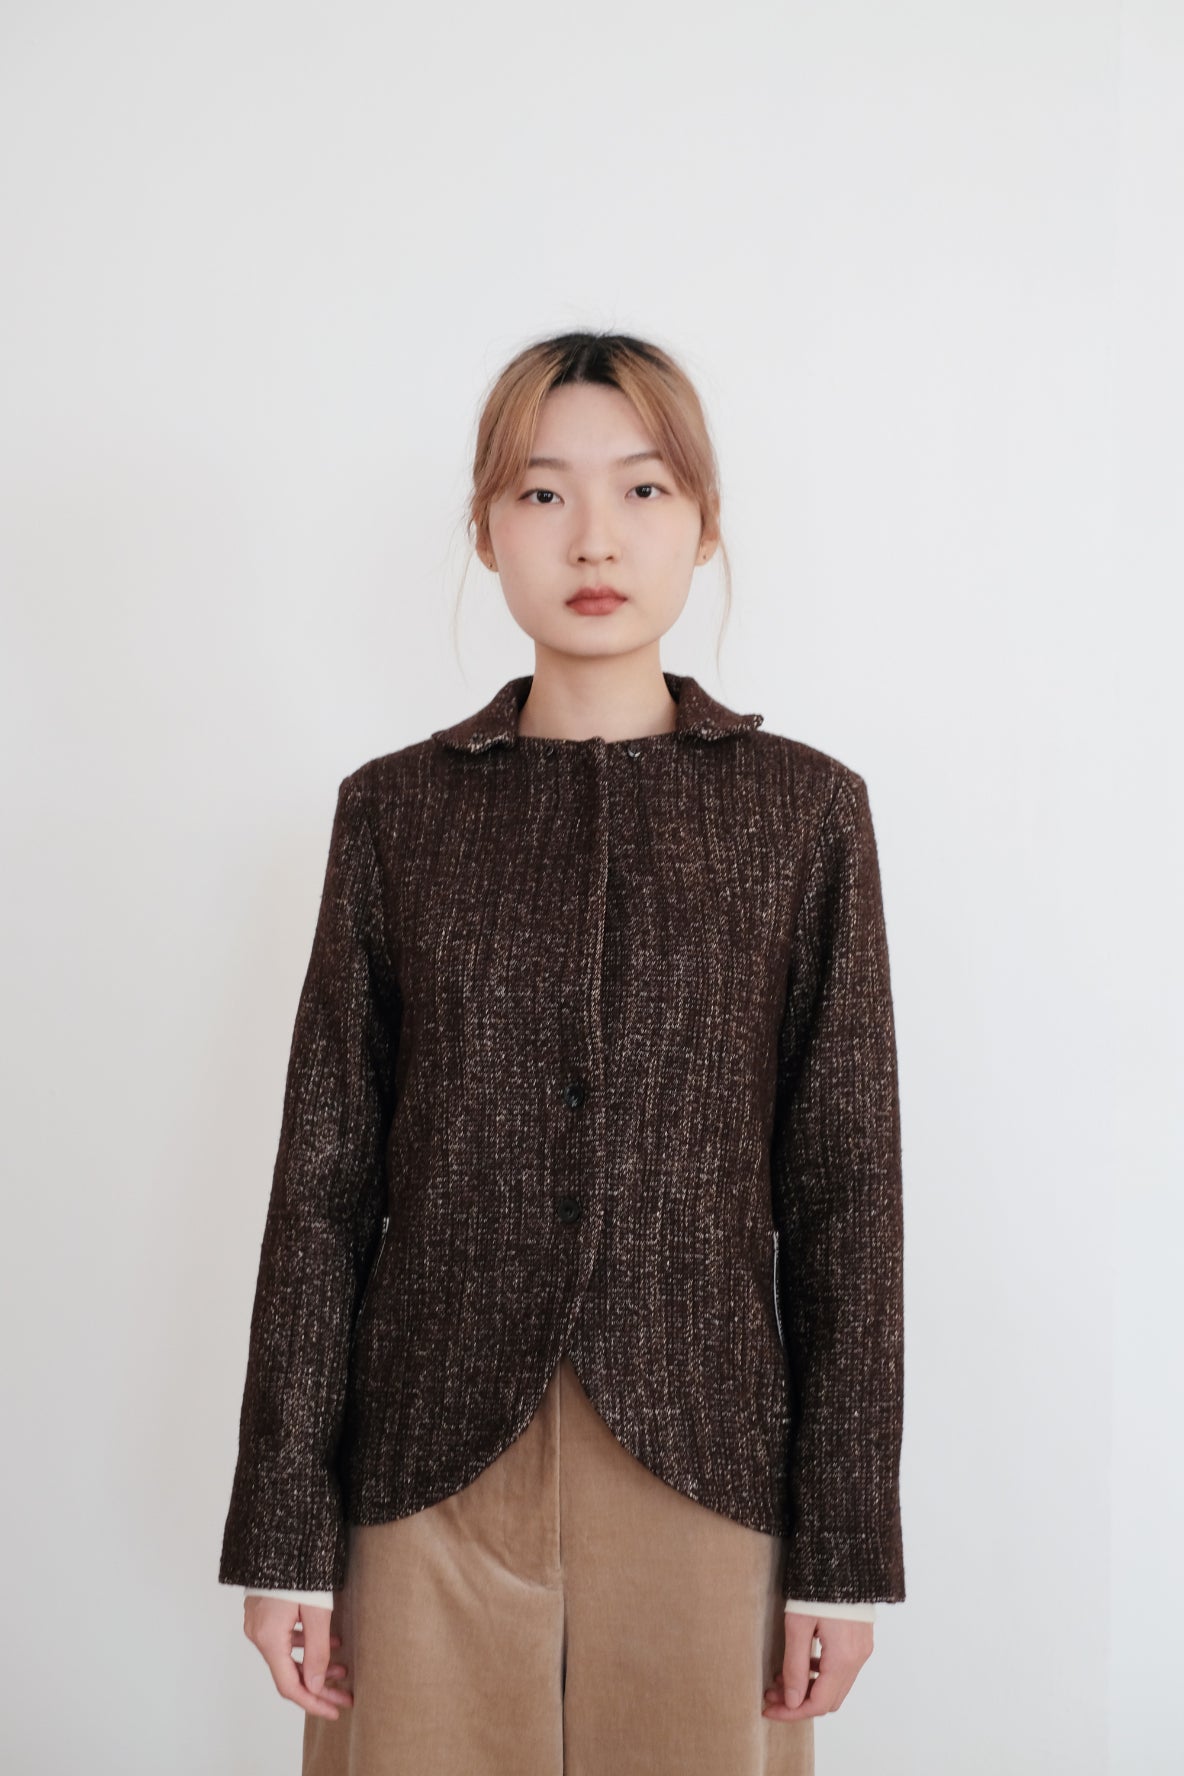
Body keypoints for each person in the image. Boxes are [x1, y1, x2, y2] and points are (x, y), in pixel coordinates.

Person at [218, 330, 906, 1775]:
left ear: (704, 524)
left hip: (709, 1458)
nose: (594, 536)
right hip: (424, 1466)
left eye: (644, 489)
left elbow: (847, 1193)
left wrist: (843, 1552)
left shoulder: (804, 816)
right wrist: (284, 1532)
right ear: (485, 529)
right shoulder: (396, 815)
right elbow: (323, 1187)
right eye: (541, 494)